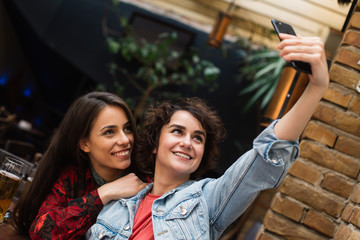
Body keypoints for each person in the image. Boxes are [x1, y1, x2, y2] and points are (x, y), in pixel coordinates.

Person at [87, 33, 329, 239]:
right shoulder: (118, 203)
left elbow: (265, 157)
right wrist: (104, 193)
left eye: (198, 138)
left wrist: (316, 87)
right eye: (177, 131)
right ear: (154, 144)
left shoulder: (208, 201)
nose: (187, 142)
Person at [12, 91, 148, 240]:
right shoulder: (72, 175)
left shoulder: (146, 184)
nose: (125, 140)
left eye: (127, 129)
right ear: (85, 144)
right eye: (109, 132)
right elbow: (42, 231)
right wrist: (104, 193)